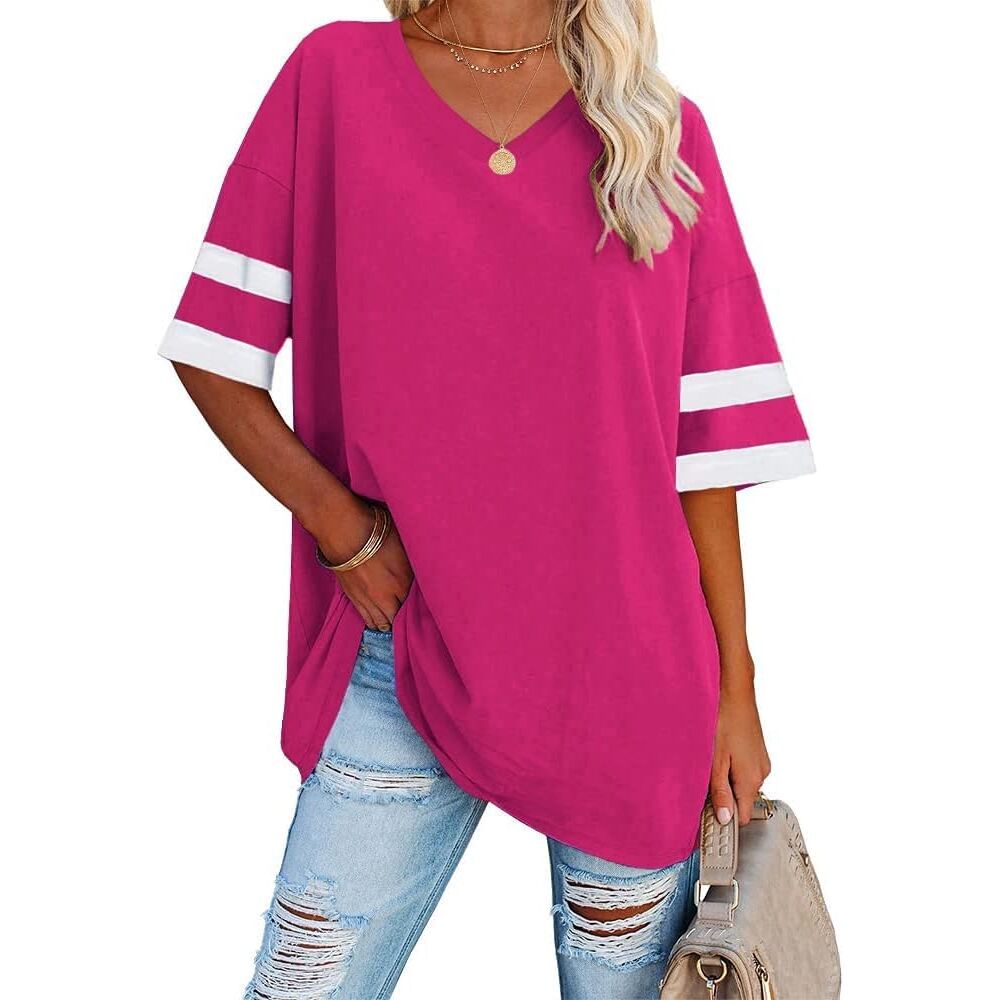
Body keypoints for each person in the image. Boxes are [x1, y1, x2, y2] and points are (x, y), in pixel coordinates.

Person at [158, 2, 815, 996]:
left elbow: (703, 454)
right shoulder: (335, 77)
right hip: (402, 653)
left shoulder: (655, 129)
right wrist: (342, 528)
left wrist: (736, 687)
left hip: (630, 684)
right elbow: (213, 351)